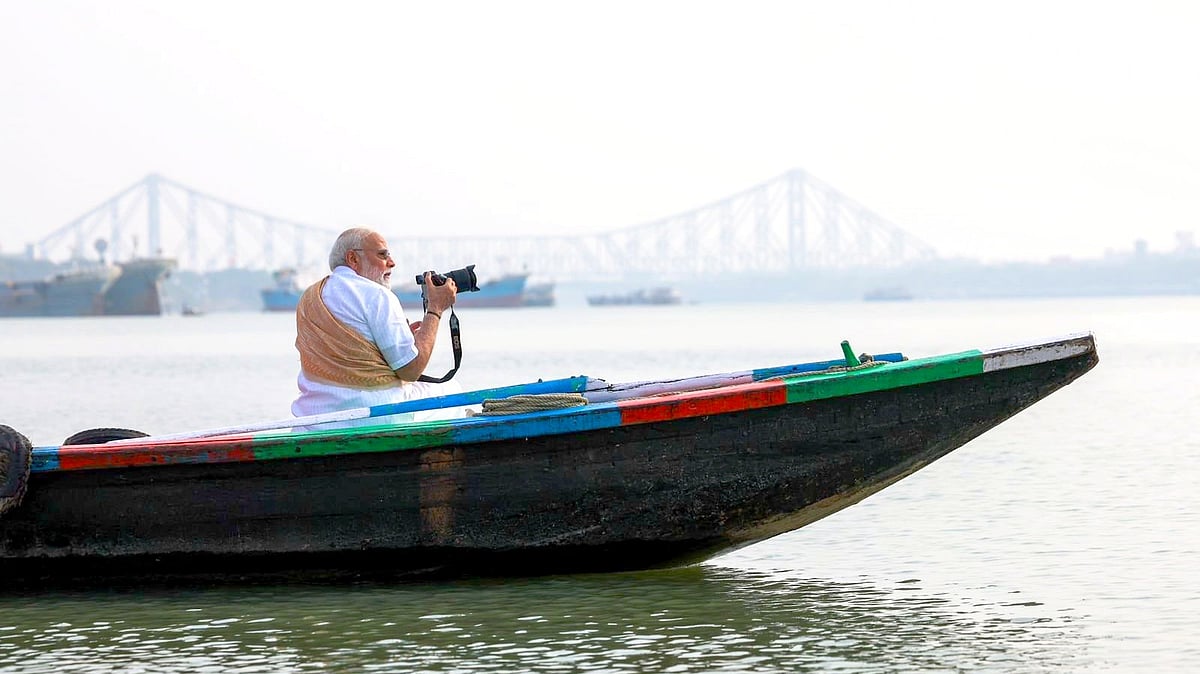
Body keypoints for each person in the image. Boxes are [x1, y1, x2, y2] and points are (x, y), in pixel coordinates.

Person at [291, 227, 463, 428]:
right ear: (353, 259)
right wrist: (435, 309)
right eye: (382, 255)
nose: (392, 262)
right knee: (452, 390)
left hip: (314, 419)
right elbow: (410, 371)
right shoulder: (378, 295)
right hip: (375, 416)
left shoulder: (311, 296)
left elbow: (351, 351)